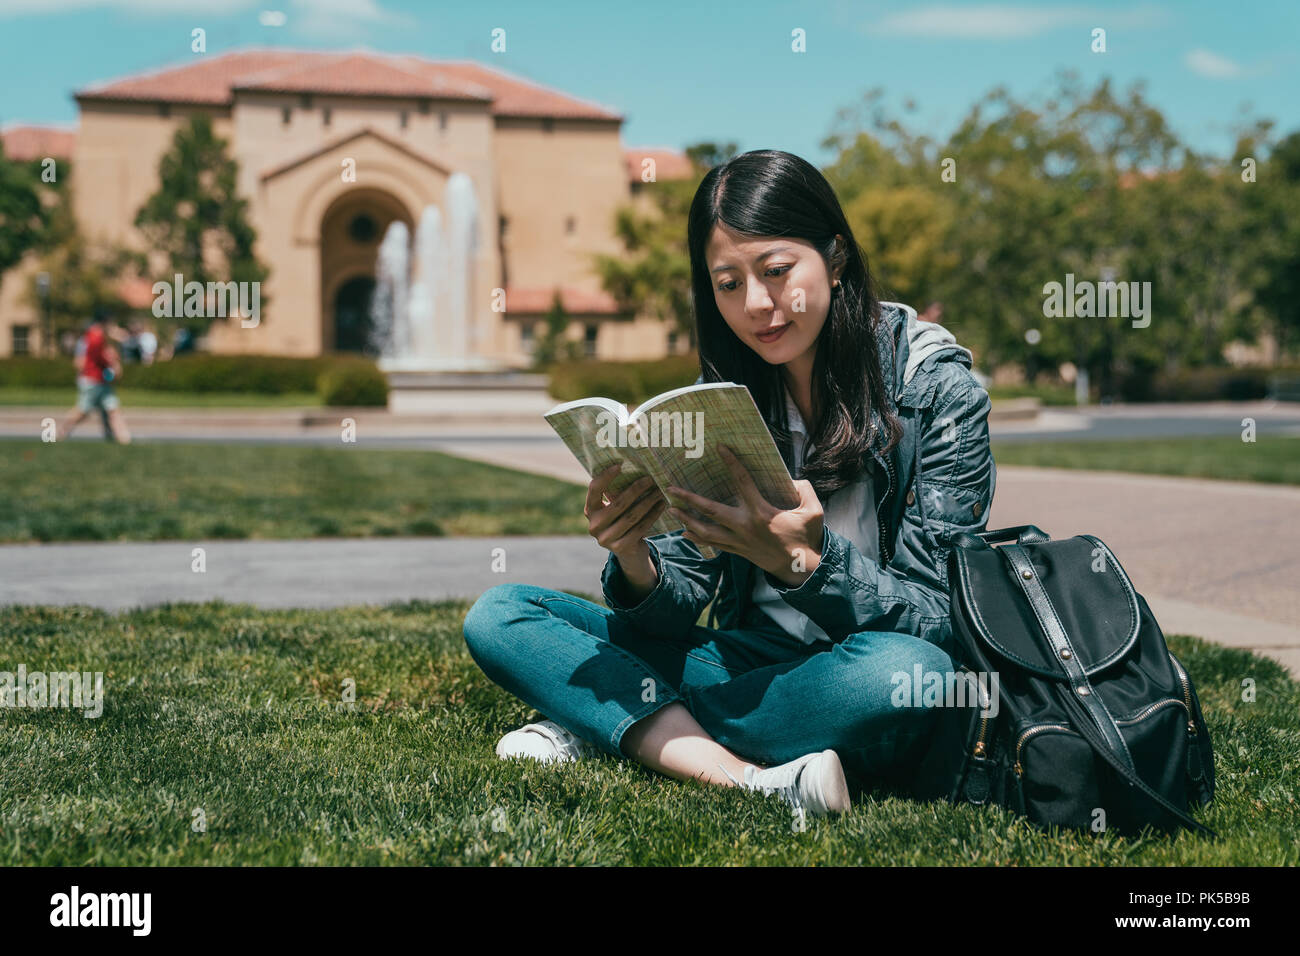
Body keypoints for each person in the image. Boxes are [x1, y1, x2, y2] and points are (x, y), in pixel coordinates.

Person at [462, 150, 996, 820]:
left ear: (834, 258)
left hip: (861, 670)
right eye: (727, 283)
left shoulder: (936, 391)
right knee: (502, 613)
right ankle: (741, 774)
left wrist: (801, 564)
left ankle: (612, 724)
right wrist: (634, 559)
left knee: (911, 678)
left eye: (777, 272)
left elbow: (941, 624)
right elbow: (679, 604)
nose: (758, 306)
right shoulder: (719, 399)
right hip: (752, 669)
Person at [59, 310, 132, 444]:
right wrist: (113, 362)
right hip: (92, 380)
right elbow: (100, 357)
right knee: (83, 410)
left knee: (113, 409)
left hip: (100, 380)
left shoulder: (96, 336)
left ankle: (124, 438)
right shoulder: (95, 336)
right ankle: (61, 431)